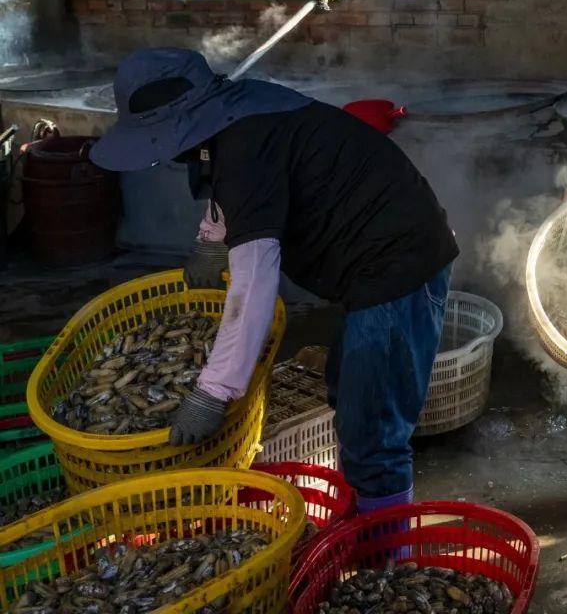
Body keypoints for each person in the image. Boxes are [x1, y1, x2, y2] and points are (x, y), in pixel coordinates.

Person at [90, 48, 458, 513]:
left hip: (397, 265)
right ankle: (365, 516)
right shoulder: (241, 110)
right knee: (348, 390)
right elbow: (232, 176)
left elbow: (254, 285)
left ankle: (386, 557)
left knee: (374, 432)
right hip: (373, 264)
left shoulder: (244, 146)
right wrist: (212, 237)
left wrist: (213, 390)